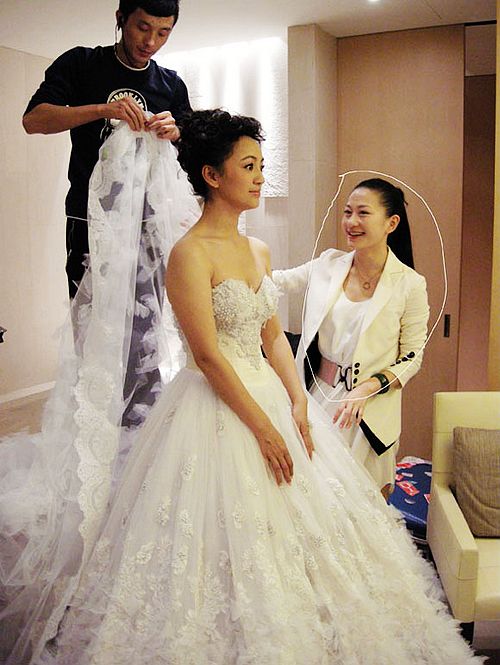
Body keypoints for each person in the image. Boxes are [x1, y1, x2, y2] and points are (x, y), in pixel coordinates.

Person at [24, 110, 482, 664]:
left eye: (262, 165)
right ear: (212, 175)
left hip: (271, 394)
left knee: (312, 527)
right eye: (249, 166)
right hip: (215, 405)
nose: (261, 177)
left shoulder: (258, 250)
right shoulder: (189, 254)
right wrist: (264, 429)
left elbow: (273, 338)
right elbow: (207, 357)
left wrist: (297, 403)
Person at [22, 0, 192, 427]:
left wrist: (176, 132)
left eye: (163, 32)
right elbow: (35, 120)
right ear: (121, 19)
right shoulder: (81, 64)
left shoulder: (170, 84)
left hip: (147, 226)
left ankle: (139, 429)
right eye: (142, 27)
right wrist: (103, 110)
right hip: (89, 221)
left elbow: (193, 151)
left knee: (145, 328)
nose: (151, 42)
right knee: (93, 327)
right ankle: (95, 429)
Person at [274, 179, 429, 500]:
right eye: (347, 212)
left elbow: (413, 356)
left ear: (391, 223)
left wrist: (368, 388)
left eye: (363, 213)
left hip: (370, 411)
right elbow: (277, 282)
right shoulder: (328, 264)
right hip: (318, 399)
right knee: (314, 498)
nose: (351, 222)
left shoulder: (410, 284)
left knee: (366, 504)